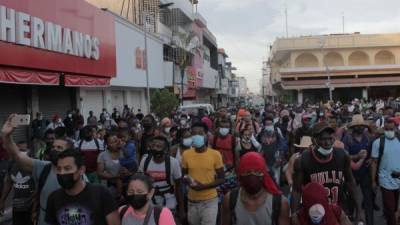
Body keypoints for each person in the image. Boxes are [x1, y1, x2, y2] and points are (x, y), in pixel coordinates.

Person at [1, 114, 73, 225]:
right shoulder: (43, 167)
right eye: (53, 147)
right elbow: (18, 156)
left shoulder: (78, 174)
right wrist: (6, 135)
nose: (54, 149)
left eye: (59, 148)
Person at [292, 121, 363, 223]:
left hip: (337, 210)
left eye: (330, 138)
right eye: (323, 139)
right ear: (314, 140)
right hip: (314, 214)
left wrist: (359, 210)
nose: (328, 143)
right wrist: (294, 214)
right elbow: (296, 190)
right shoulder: (303, 160)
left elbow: (350, 182)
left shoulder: (342, 156)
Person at [45, 149, 120, 225]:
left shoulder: (101, 193)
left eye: (67, 168)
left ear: (81, 170)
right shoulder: (53, 198)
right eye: (59, 169)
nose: (62, 173)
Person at [221, 152, 289, 225]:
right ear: (240, 175)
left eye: (257, 171)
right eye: (247, 172)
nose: (252, 175)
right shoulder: (230, 199)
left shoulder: (280, 203)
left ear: (263, 175)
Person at [182, 122, 225, 225]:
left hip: (210, 200)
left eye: (200, 133)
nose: (197, 136)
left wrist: (203, 186)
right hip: (192, 201)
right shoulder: (186, 154)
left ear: (206, 135)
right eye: (194, 133)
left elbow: (222, 178)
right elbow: (184, 175)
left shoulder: (215, 154)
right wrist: (189, 181)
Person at [139, 136, 185, 221]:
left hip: (168, 200)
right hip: (150, 201)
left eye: (158, 146)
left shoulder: (173, 162)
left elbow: (178, 186)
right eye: (153, 146)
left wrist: (181, 209)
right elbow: (140, 182)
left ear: (166, 150)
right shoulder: (145, 161)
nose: (155, 148)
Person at [342, 114, 374, 225]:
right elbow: (344, 157)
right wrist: (357, 156)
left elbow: (372, 153)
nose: (360, 127)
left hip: (365, 172)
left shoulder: (368, 137)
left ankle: (370, 222)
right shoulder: (347, 138)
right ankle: (350, 220)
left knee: (368, 199)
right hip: (351, 173)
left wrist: (370, 158)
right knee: (351, 199)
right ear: (353, 127)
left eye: (361, 125)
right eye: (357, 125)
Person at [371, 119, 400, 225]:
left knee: (395, 206)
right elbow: (374, 163)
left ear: (396, 129)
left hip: (398, 179)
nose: (389, 131)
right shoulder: (378, 143)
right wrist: (373, 181)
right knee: (390, 208)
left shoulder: (399, 140)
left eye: (391, 129)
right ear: (383, 129)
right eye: (387, 129)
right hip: (385, 179)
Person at [0, 141, 35, 225]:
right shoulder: (11, 164)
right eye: (19, 150)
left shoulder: (35, 165)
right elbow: (8, 182)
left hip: (31, 208)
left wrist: (35, 208)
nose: (21, 154)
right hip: (17, 207)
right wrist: (2, 201)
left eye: (24, 150)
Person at [97, 133, 128, 199]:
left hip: (125, 186)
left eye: (116, 141)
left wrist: (122, 147)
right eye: (112, 142)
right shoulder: (102, 155)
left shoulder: (123, 152)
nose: (115, 143)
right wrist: (116, 176)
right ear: (107, 144)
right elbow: (100, 174)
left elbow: (132, 161)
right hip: (109, 187)